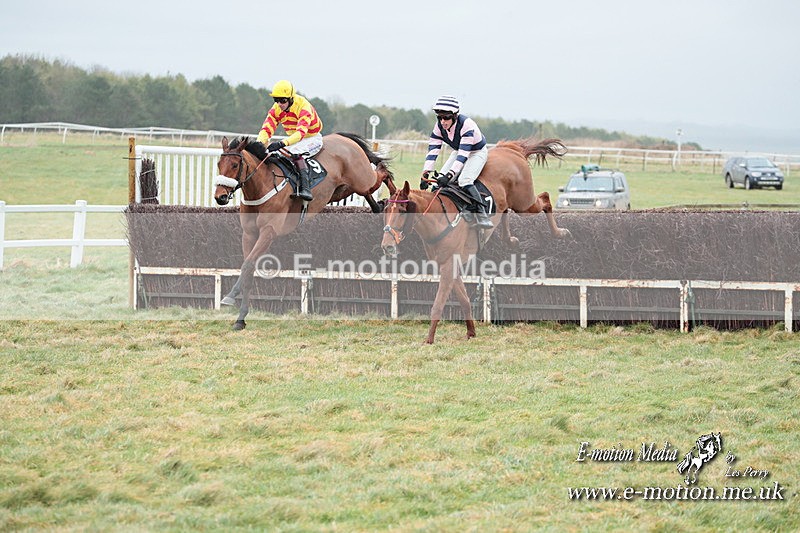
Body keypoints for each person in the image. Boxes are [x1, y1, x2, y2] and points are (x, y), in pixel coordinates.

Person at [419, 95, 492, 229]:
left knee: (465, 180)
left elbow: (463, 157)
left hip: (476, 152)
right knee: (439, 178)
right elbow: (433, 150)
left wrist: (450, 175)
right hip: (459, 151)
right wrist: (425, 173)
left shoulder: (466, 125)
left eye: (446, 117)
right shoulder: (439, 127)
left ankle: (482, 214)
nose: (443, 121)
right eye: (439, 117)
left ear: (455, 116)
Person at [257, 80, 323, 201]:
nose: (279, 104)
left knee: (296, 151)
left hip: (311, 138)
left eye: (283, 100)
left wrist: (282, 143)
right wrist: (259, 143)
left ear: (291, 98)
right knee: (274, 154)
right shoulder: (276, 109)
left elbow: (300, 134)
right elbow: (267, 128)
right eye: (276, 100)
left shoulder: (303, 106)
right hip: (294, 139)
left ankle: (305, 188)